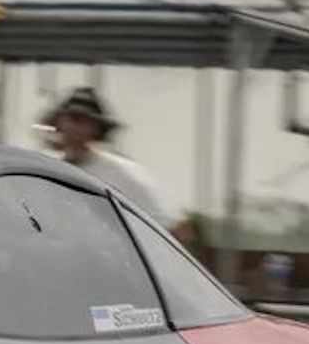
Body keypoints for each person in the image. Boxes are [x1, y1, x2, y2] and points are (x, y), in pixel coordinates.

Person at [46, 87, 198, 246]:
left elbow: (175, 228)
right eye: (71, 118)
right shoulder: (44, 166)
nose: (74, 126)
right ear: (59, 122)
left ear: (96, 128)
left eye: (82, 120)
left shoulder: (122, 173)